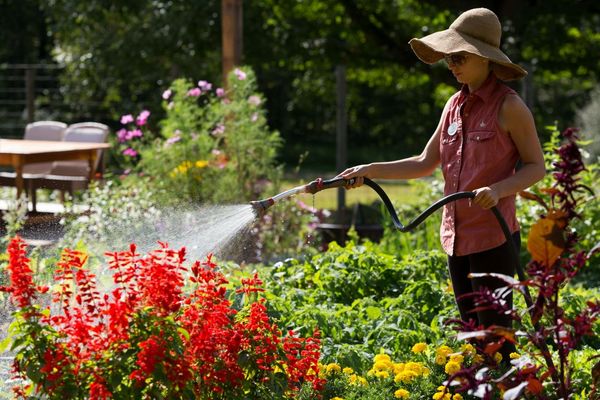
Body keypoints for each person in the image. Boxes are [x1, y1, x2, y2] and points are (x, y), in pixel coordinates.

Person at [338, 8, 545, 361]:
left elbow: (536, 167)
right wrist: (370, 169)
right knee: (471, 339)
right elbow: (424, 162)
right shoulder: (453, 105)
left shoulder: (509, 107)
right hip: (456, 238)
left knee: (497, 342)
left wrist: (498, 190)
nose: (452, 65)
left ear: (484, 58)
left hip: (493, 238)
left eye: (459, 57)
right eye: (449, 58)